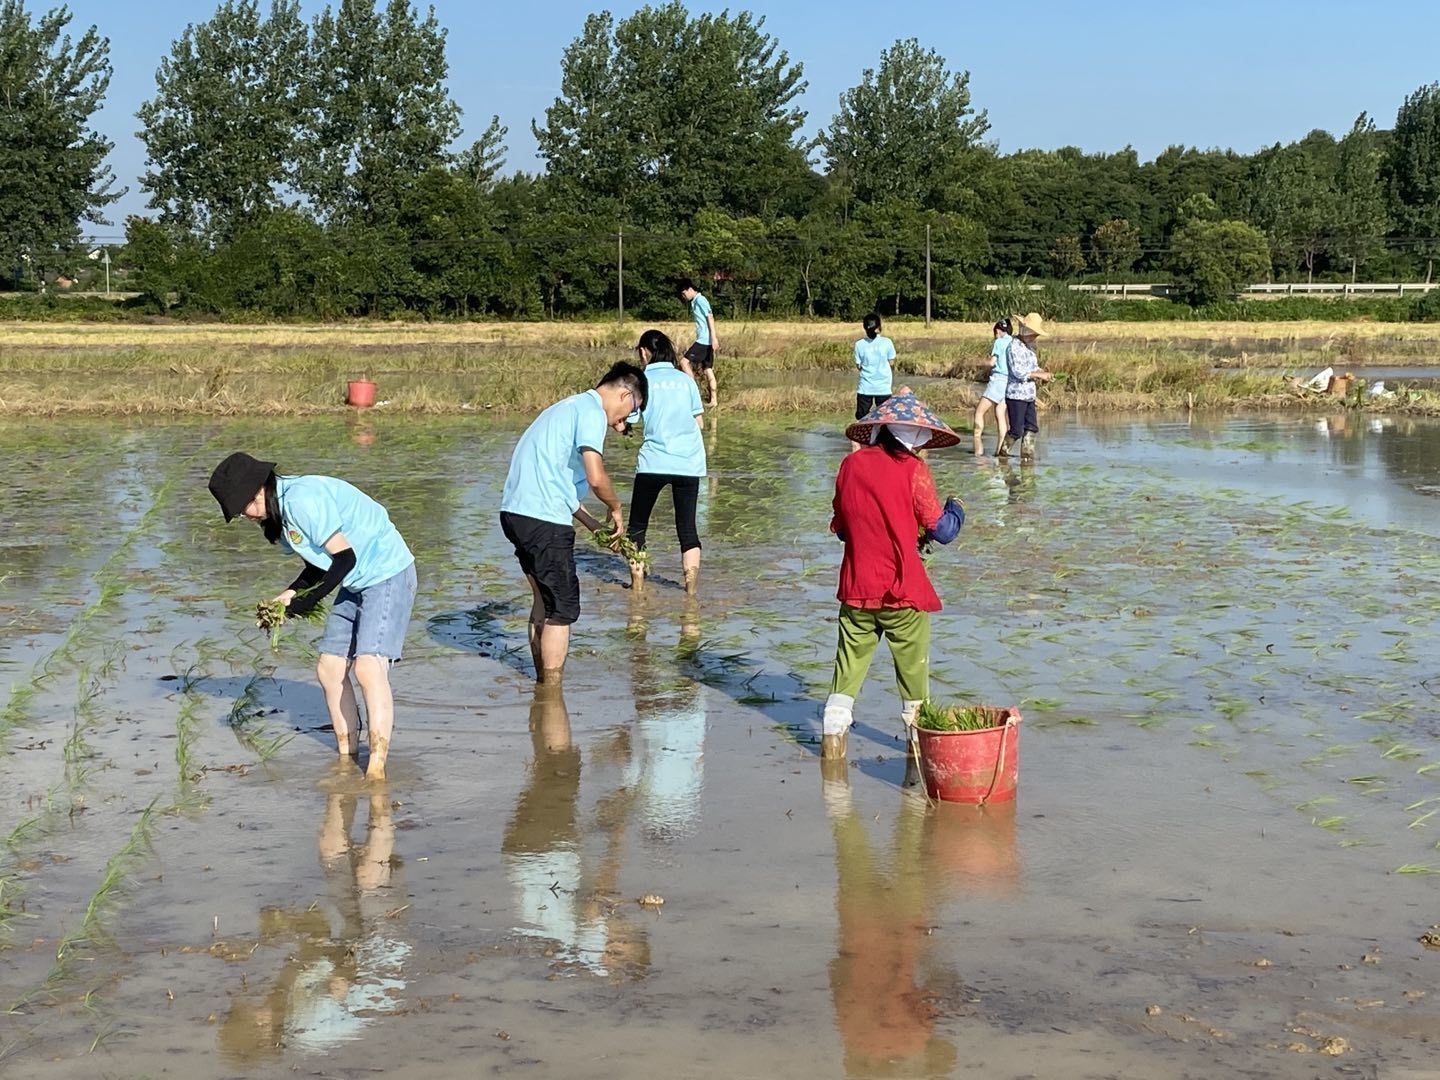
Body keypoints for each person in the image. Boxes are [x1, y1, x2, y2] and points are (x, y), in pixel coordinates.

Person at [207, 453, 416, 780]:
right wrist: (290, 595)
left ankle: (376, 769)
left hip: (387, 572)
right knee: (329, 669)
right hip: (355, 581)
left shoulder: (302, 500)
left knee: (368, 667)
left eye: (242, 508)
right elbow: (319, 566)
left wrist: (308, 601)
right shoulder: (280, 516)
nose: (244, 516)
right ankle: (347, 757)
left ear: (258, 491)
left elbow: (345, 558)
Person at [822, 390, 966, 760]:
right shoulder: (914, 470)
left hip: (857, 588)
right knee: (913, 677)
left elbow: (841, 528)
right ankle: (917, 758)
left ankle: (832, 748)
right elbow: (941, 531)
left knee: (846, 672)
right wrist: (957, 508)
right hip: (903, 592)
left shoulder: (850, 465)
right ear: (914, 437)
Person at [499, 362, 648, 683]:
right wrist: (615, 506)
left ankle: (541, 685)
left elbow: (558, 486)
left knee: (544, 602)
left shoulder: (565, 408)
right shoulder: (592, 412)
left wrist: (594, 526)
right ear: (626, 395)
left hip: (515, 513)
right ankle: (552, 694)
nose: (621, 425)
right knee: (562, 610)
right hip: (543, 519)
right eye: (629, 415)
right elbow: (595, 476)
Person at [627, 328, 706, 594]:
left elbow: (630, 419)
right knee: (687, 530)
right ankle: (691, 590)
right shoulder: (686, 380)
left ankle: (637, 586)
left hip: (653, 462)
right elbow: (699, 422)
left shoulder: (641, 381)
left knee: (637, 527)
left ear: (643, 352)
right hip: (688, 463)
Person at [999, 312, 1054, 462]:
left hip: (1029, 394)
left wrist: (1043, 373)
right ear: (1024, 330)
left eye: (1036, 334)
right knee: (1016, 430)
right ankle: (1002, 455)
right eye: (1032, 333)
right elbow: (1018, 372)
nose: (1034, 337)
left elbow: (1033, 367)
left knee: (1031, 428)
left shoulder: (1030, 347)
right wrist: (1039, 375)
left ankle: (1027, 459)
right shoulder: (1013, 347)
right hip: (1016, 395)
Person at [851, 312, 895, 451]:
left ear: (864, 327)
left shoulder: (859, 345)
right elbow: (892, 362)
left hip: (865, 387)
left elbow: (858, 365)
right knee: (884, 418)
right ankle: (883, 444)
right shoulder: (887, 342)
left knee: (862, 417)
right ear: (879, 327)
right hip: (883, 387)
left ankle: (861, 443)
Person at [676, 277, 719, 407]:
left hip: (704, 340)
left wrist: (713, 337)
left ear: (690, 289)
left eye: (684, 293)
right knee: (707, 369)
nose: (683, 297)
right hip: (706, 340)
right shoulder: (695, 302)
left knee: (683, 362)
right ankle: (714, 401)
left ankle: (694, 394)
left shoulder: (701, 300)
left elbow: (710, 317)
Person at [973, 317, 1012, 456]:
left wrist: (980, 362)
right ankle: (1000, 450)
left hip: (998, 381)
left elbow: (992, 363)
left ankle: (977, 446)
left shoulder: (999, 342)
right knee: (1000, 414)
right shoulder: (1013, 341)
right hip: (1009, 382)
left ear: (997, 331)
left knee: (979, 412)